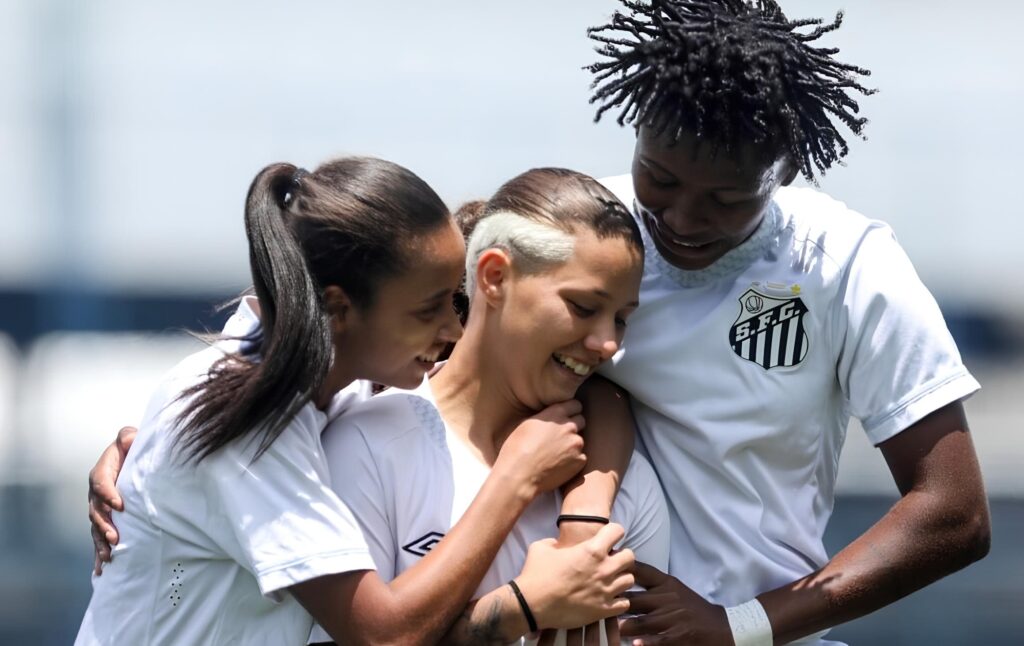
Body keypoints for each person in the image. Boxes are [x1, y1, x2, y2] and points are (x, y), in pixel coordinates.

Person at [75, 157, 635, 646]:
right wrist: (515, 484)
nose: (452, 327)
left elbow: (600, 392)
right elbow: (383, 634)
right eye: (430, 309)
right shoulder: (249, 426)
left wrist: (581, 525)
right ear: (339, 308)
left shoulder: (339, 380)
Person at [565, 1, 990, 644]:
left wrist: (738, 627)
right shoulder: (573, 233)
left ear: (786, 169)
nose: (680, 218)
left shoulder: (848, 265)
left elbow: (954, 512)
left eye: (725, 200)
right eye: (658, 177)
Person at [309, 168, 669, 646]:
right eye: (584, 307)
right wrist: (520, 606)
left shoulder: (626, 483)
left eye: (622, 319)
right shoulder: (364, 446)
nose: (608, 344)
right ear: (495, 277)